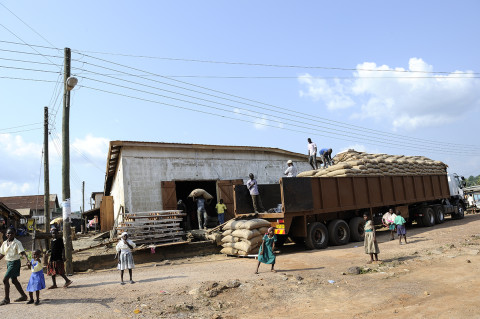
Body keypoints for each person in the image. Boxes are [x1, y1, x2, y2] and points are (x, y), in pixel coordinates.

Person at [0, 228, 30, 305]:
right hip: (9, 263)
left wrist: (27, 260)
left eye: (12, 233)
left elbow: (22, 252)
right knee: (14, 280)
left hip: (15, 263)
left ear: (15, 234)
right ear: (6, 234)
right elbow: (2, 254)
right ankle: (23, 296)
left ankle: (6, 299)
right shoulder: (4, 243)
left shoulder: (17, 243)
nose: (10, 235)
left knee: (5, 280)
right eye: (8, 233)